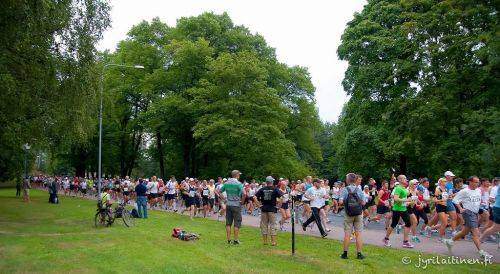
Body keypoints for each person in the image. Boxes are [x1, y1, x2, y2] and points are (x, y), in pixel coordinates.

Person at [443, 176, 493, 260]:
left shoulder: (478, 190)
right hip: (468, 212)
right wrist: (460, 209)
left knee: (464, 232)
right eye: (476, 182)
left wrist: (481, 206)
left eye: (478, 182)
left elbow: (477, 200)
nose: (478, 183)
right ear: (470, 182)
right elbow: (455, 200)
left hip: (475, 212)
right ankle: (482, 253)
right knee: (475, 233)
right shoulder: (464, 191)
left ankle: (450, 241)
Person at [339, 173, 366, 259]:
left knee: (347, 234)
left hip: (348, 213)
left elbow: (340, 202)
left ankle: (345, 254)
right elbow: (363, 202)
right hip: (358, 213)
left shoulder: (344, 189)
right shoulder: (359, 190)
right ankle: (359, 254)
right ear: (355, 180)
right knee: (358, 234)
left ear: (347, 180)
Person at [383, 175, 414, 248]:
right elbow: (396, 199)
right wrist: (406, 200)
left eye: (406, 178)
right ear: (400, 180)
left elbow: (405, 198)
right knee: (393, 224)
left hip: (403, 209)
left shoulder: (404, 188)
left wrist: (409, 201)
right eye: (405, 178)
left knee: (408, 223)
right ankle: (386, 239)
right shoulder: (398, 188)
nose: (406, 180)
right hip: (397, 209)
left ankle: (405, 242)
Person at [217, 170, 244, 245]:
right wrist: (241, 202)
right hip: (236, 205)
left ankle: (229, 240)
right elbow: (244, 193)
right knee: (237, 222)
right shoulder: (239, 184)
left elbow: (219, 191)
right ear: (237, 175)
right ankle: (235, 240)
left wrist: (224, 199)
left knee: (228, 223)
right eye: (239, 175)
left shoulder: (226, 183)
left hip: (228, 204)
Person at [256, 176, 282, 246]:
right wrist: (278, 207)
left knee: (264, 225)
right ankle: (273, 242)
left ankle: (265, 241)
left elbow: (254, 197)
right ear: (272, 182)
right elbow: (282, 197)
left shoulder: (262, 189)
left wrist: (259, 205)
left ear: (266, 182)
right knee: (273, 225)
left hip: (264, 209)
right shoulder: (275, 189)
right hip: (272, 209)